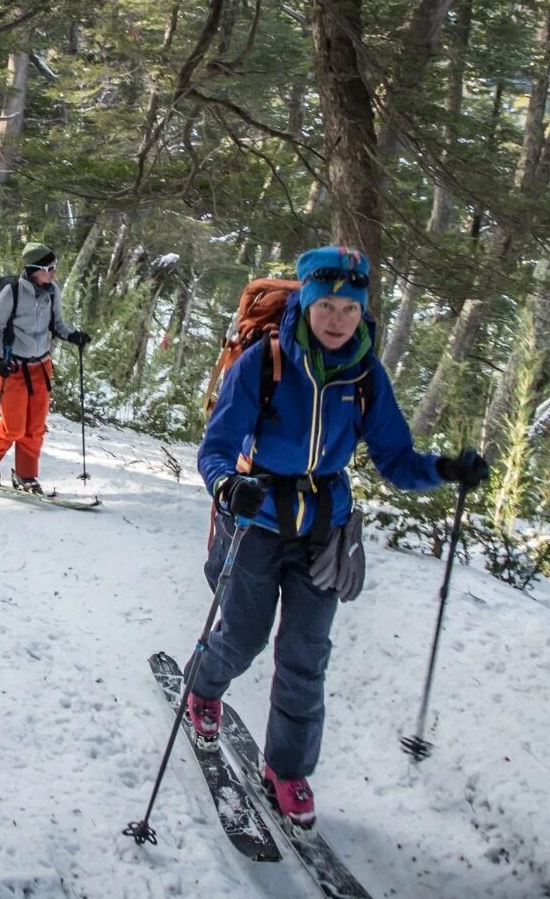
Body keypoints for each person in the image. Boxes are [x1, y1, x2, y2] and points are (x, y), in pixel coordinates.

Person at [190, 245, 489, 828]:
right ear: (305, 301)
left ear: (363, 312)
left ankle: (288, 769)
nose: (337, 319)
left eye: (349, 309)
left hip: (324, 530)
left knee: (306, 656)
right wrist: (227, 486)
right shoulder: (265, 362)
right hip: (256, 520)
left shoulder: (365, 374)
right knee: (244, 637)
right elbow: (216, 448)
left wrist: (445, 470)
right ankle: (204, 687)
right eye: (326, 305)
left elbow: (396, 459)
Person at [0, 243, 91, 493]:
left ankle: (26, 475)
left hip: (41, 366)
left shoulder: (52, 292)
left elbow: (57, 324)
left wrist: (72, 336)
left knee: (35, 427)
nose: (54, 273)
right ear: (33, 270)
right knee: (13, 426)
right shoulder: (12, 292)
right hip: (12, 366)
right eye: (49, 268)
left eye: (55, 267)